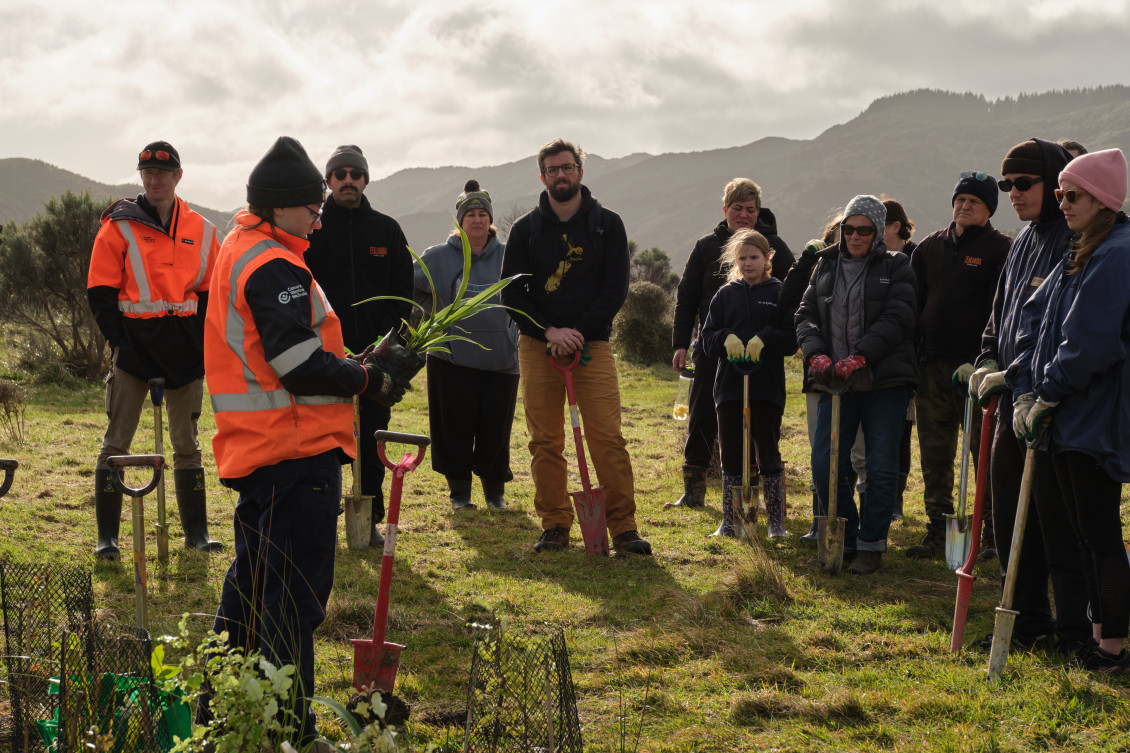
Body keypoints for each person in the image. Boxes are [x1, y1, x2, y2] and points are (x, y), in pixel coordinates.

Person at [202, 136, 412, 746]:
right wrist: (368, 377)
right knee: (292, 603)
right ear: (279, 207)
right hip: (294, 455)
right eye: (311, 206)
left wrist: (355, 361)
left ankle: (222, 716)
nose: (320, 214)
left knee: (250, 591)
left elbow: (289, 353)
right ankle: (290, 731)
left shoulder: (242, 250)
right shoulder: (273, 263)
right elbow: (296, 363)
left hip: (262, 453)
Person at [1009, 148, 1130, 672]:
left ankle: (1112, 648)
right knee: (1083, 534)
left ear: (1101, 198)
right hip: (1061, 414)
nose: (1063, 203)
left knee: (1100, 534)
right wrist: (1022, 384)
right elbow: (1033, 318)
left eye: (1072, 194)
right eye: (1059, 194)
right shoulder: (1080, 249)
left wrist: (1050, 390)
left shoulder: (1118, 252)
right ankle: (1098, 636)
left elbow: (1090, 340)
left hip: (1092, 416)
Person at [968, 138, 1090, 652]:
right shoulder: (1021, 242)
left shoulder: (1076, 240)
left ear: (1054, 180)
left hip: (1049, 404)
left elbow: (1055, 328)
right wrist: (987, 358)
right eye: (1007, 185)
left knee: (1053, 522)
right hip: (1011, 399)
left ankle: (1072, 631)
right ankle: (1025, 619)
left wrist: (1019, 376)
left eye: (1024, 184)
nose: (1013, 194)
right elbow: (1003, 313)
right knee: (1007, 510)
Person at [500, 138, 650, 555]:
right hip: (537, 346)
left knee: (606, 437)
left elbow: (614, 290)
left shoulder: (607, 224)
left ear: (580, 172)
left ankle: (623, 529)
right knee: (545, 440)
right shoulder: (525, 230)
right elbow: (512, 294)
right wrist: (549, 331)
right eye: (552, 169)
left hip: (592, 346)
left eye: (567, 168)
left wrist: (577, 332)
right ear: (543, 176)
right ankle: (555, 526)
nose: (560, 175)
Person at [86, 140, 223, 558]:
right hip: (134, 352)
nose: (154, 179)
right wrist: (120, 342)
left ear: (178, 176)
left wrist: (199, 345)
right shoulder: (119, 225)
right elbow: (99, 291)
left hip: (184, 354)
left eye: (162, 173)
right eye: (146, 172)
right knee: (116, 444)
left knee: (187, 445)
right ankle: (107, 539)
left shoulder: (202, 229)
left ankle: (197, 535)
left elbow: (211, 294)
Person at [795, 195, 917, 574]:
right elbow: (806, 314)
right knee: (824, 462)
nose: (855, 236)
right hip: (835, 380)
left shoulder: (898, 266)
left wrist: (860, 355)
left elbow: (898, 318)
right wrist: (816, 354)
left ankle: (871, 544)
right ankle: (845, 532)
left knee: (880, 464)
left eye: (864, 230)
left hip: (884, 381)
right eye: (849, 229)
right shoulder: (825, 264)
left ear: (878, 231)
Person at [305, 145, 414, 547]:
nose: (347, 180)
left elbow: (404, 295)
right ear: (328, 181)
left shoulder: (386, 230)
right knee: (323, 441)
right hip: (324, 357)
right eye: (339, 174)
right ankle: (320, 518)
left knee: (372, 440)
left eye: (355, 173)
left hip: (377, 359)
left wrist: (386, 346)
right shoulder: (312, 229)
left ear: (365, 179)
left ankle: (369, 520)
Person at [669, 178, 795, 509]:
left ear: (758, 211)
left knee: (760, 422)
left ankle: (752, 496)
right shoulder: (706, 246)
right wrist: (681, 343)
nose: (743, 214)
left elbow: (796, 297)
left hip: (760, 356)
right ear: (725, 210)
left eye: (750, 209)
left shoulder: (775, 247)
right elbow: (686, 298)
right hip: (712, 347)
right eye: (736, 208)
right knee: (700, 415)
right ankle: (693, 490)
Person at [907, 173, 1010, 559]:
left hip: (976, 372)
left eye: (975, 202)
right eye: (960, 199)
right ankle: (939, 532)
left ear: (988, 210)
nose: (965, 206)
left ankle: (991, 537)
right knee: (934, 455)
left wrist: (982, 360)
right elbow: (914, 302)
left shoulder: (1002, 249)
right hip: (932, 366)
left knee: (983, 455)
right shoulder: (930, 247)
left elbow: (1001, 310)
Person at [414, 180, 519, 510]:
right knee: (453, 427)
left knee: (495, 430)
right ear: (459, 221)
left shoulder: (509, 256)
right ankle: (460, 495)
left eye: (482, 214)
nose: (477, 220)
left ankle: (495, 494)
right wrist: (430, 314)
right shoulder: (439, 257)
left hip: (502, 359)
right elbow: (408, 286)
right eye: (470, 214)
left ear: (491, 220)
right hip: (450, 359)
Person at [697, 229, 796, 537]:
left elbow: (790, 340)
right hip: (729, 387)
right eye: (742, 258)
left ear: (768, 258)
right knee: (731, 455)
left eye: (754, 257)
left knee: (767, 450)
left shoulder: (779, 292)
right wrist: (724, 337)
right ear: (734, 261)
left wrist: (764, 339)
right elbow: (706, 339)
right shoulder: (725, 295)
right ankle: (731, 520)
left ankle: (776, 523)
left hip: (766, 388)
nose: (748, 263)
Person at [781, 213, 841, 542]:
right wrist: (806, 261)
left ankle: (846, 521)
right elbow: (788, 302)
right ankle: (820, 522)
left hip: (856, 378)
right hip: (817, 376)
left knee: (851, 456)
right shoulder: (816, 273)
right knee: (820, 451)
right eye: (833, 240)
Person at [881, 197, 917, 522]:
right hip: (879, 361)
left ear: (895, 226)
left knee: (902, 431)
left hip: (908, 362)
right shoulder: (874, 260)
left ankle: (895, 500)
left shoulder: (917, 257)